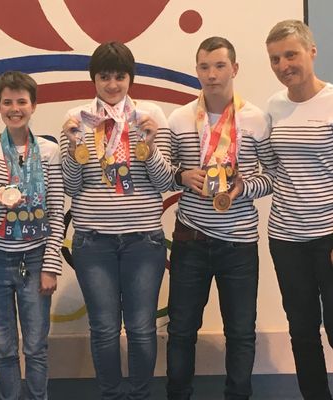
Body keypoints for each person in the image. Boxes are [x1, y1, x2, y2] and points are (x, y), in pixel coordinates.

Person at [165, 37, 276, 400]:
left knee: (241, 332)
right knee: (181, 330)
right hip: (190, 240)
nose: (212, 75)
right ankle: (178, 394)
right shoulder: (179, 118)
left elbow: (272, 177)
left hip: (239, 244)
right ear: (196, 70)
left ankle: (238, 396)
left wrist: (244, 188)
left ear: (235, 68)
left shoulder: (256, 119)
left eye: (219, 66)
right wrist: (182, 175)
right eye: (204, 67)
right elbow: (161, 173)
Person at [61, 41, 171, 399]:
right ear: (93, 79)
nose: (112, 85)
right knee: (104, 328)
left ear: (130, 78)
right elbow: (70, 185)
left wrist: (151, 146)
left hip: (143, 240)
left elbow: (166, 181)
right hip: (94, 240)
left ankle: (140, 394)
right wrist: (76, 152)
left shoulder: (149, 116)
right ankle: (110, 394)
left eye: (120, 76)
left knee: (141, 328)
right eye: (104, 76)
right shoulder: (78, 119)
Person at [0, 71, 64, 400]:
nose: (14, 108)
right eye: (7, 102)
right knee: (4, 345)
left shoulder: (50, 151)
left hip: (36, 258)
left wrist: (51, 265)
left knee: (36, 345)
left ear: (33, 106)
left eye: (21, 101)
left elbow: (56, 212)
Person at [265, 19, 333, 399]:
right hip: (286, 238)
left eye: (290, 54)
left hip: (329, 235)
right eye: (275, 59)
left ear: (311, 51)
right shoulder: (274, 106)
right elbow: (274, 170)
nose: (283, 65)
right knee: (303, 331)